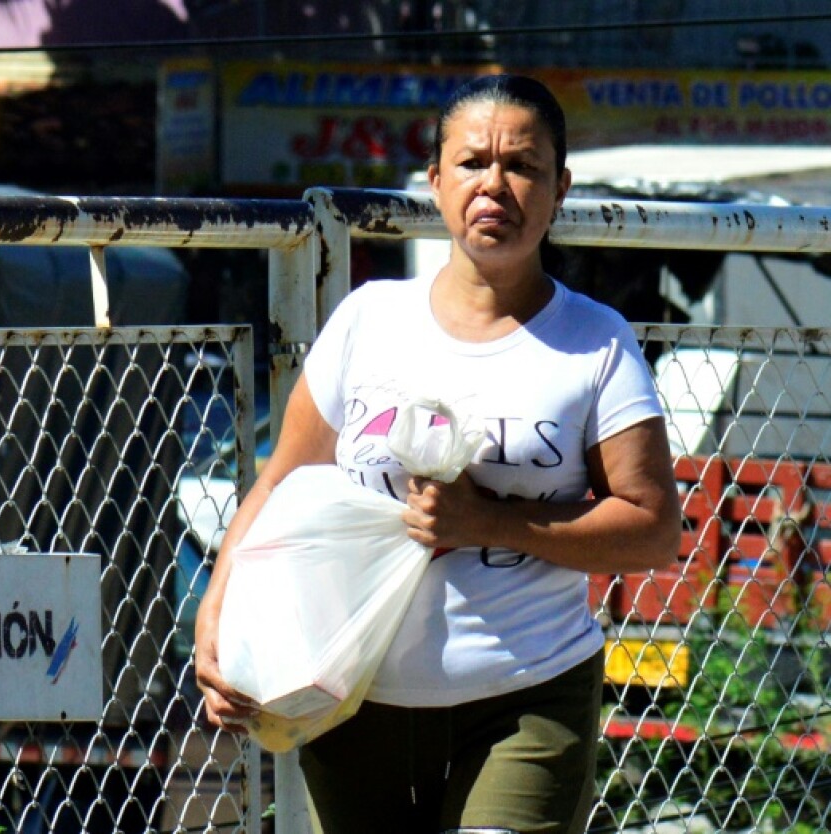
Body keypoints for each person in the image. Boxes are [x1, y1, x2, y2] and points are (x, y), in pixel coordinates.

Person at [193, 74, 682, 834]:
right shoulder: (368, 320)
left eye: (523, 166)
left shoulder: (597, 341)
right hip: (349, 692)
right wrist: (214, 616)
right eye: (472, 162)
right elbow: (283, 479)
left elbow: (652, 528)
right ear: (435, 182)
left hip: (527, 692)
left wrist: (492, 523)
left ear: (560, 189)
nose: (497, 184)